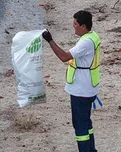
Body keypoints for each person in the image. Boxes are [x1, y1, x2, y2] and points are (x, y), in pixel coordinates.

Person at [42, 10, 101, 152]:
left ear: (83, 26)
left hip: (81, 91)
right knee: (86, 122)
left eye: (75, 24)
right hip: (89, 87)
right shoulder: (93, 36)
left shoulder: (85, 43)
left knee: (80, 126)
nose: (73, 26)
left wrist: (50, 40)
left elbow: (64, 57)